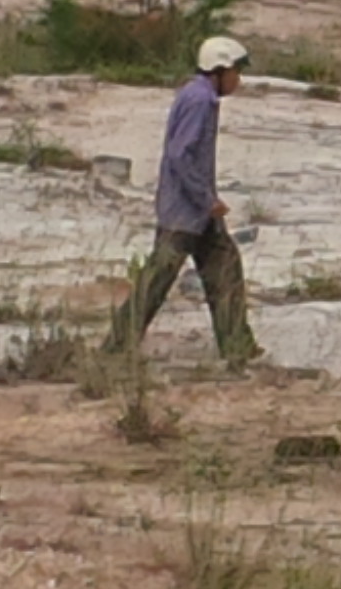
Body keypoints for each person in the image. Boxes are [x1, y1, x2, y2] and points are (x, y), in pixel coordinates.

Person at [110, 34, 260, 364]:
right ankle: (116, 347)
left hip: (196, 213)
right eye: (236, 71)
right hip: (186, 211)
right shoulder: (200, 101)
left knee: (225, 267)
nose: (238, 79)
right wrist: (207, 199)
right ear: (219, 69)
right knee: (156, 281)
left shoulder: (197, 95)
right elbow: (180, 156)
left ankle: (238, 348)